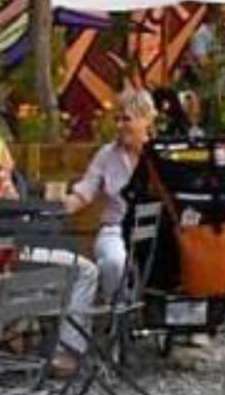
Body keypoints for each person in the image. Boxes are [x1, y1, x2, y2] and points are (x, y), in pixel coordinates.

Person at [62, 91, 156, 323]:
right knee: (114, 262)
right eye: (118, 119)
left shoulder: (160, 154)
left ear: (147, 120)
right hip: (114, 227)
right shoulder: (107, 154)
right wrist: (60, 206)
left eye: (127, 119)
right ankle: (119, 314)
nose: (120, 125)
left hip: (155, 231)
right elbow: (86, 191)